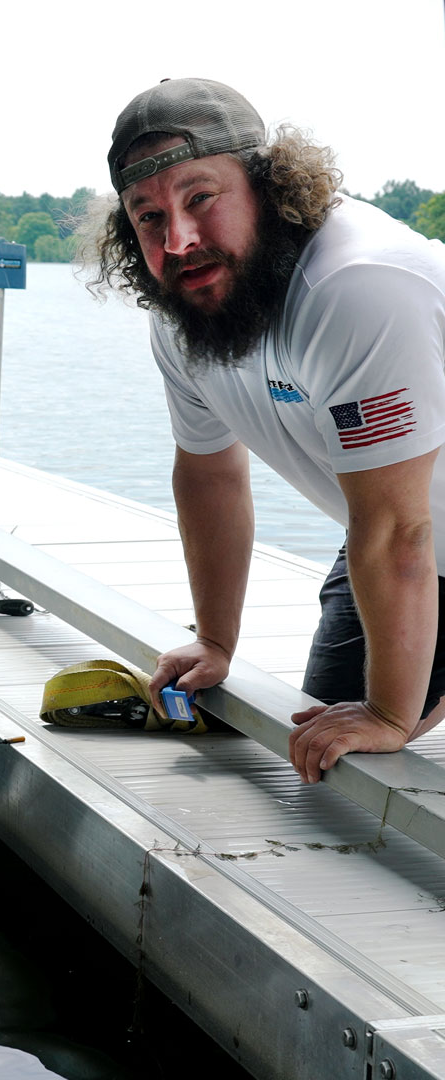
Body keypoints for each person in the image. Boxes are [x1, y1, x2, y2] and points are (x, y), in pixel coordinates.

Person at [88, 77, 445, 783]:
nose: (179, 239)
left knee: (377, 727)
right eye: (148, 216)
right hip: (394, 523)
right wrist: (214, 641)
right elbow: (210, 474)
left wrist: (391, 716)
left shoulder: (358, 285)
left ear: (269, 185)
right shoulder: (186, 315)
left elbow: (399, 530)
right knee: (324, 738)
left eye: (200, 198)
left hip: (403, 527)